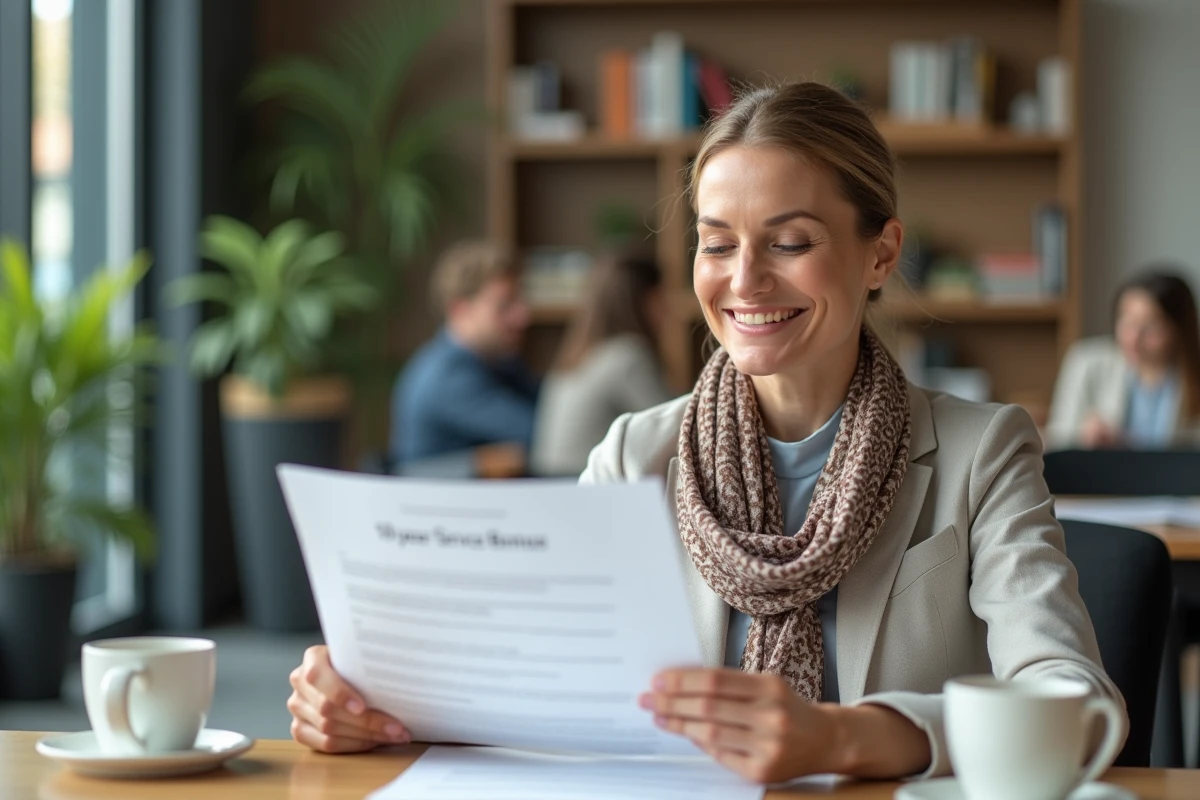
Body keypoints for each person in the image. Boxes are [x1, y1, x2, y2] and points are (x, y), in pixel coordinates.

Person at [289, 83, 1124, 783]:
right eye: (716, 244)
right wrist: (370, 700)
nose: (745, 280)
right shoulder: (633, 456)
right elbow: (529, 685)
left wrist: (844, 737)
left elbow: (1077, 704)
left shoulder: (982, 451)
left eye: (791, 243)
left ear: (880, 255)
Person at [389, 241, 539, 466]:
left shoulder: (500, 362)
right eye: (504, 305)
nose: (523, 316)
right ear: (460, 310)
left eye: (520, 301)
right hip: (442, 500)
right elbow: (542, 434)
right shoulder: (446, 377)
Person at [530, 253, 673, 476]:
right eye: (661, 296)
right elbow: (673, 429)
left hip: (549, 481)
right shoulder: (628, 355)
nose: (668, 308)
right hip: (585, 485)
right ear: (642, 300)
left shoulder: (578, 355)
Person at [1047, 270, 1200, 449]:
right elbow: (1058, 440)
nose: (1133, 338)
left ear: (1179, 329)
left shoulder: (1192, 374)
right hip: (1102, 474)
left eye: (1151, 327)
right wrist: (1084, 436)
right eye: (1127, 322)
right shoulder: (1087, 362)